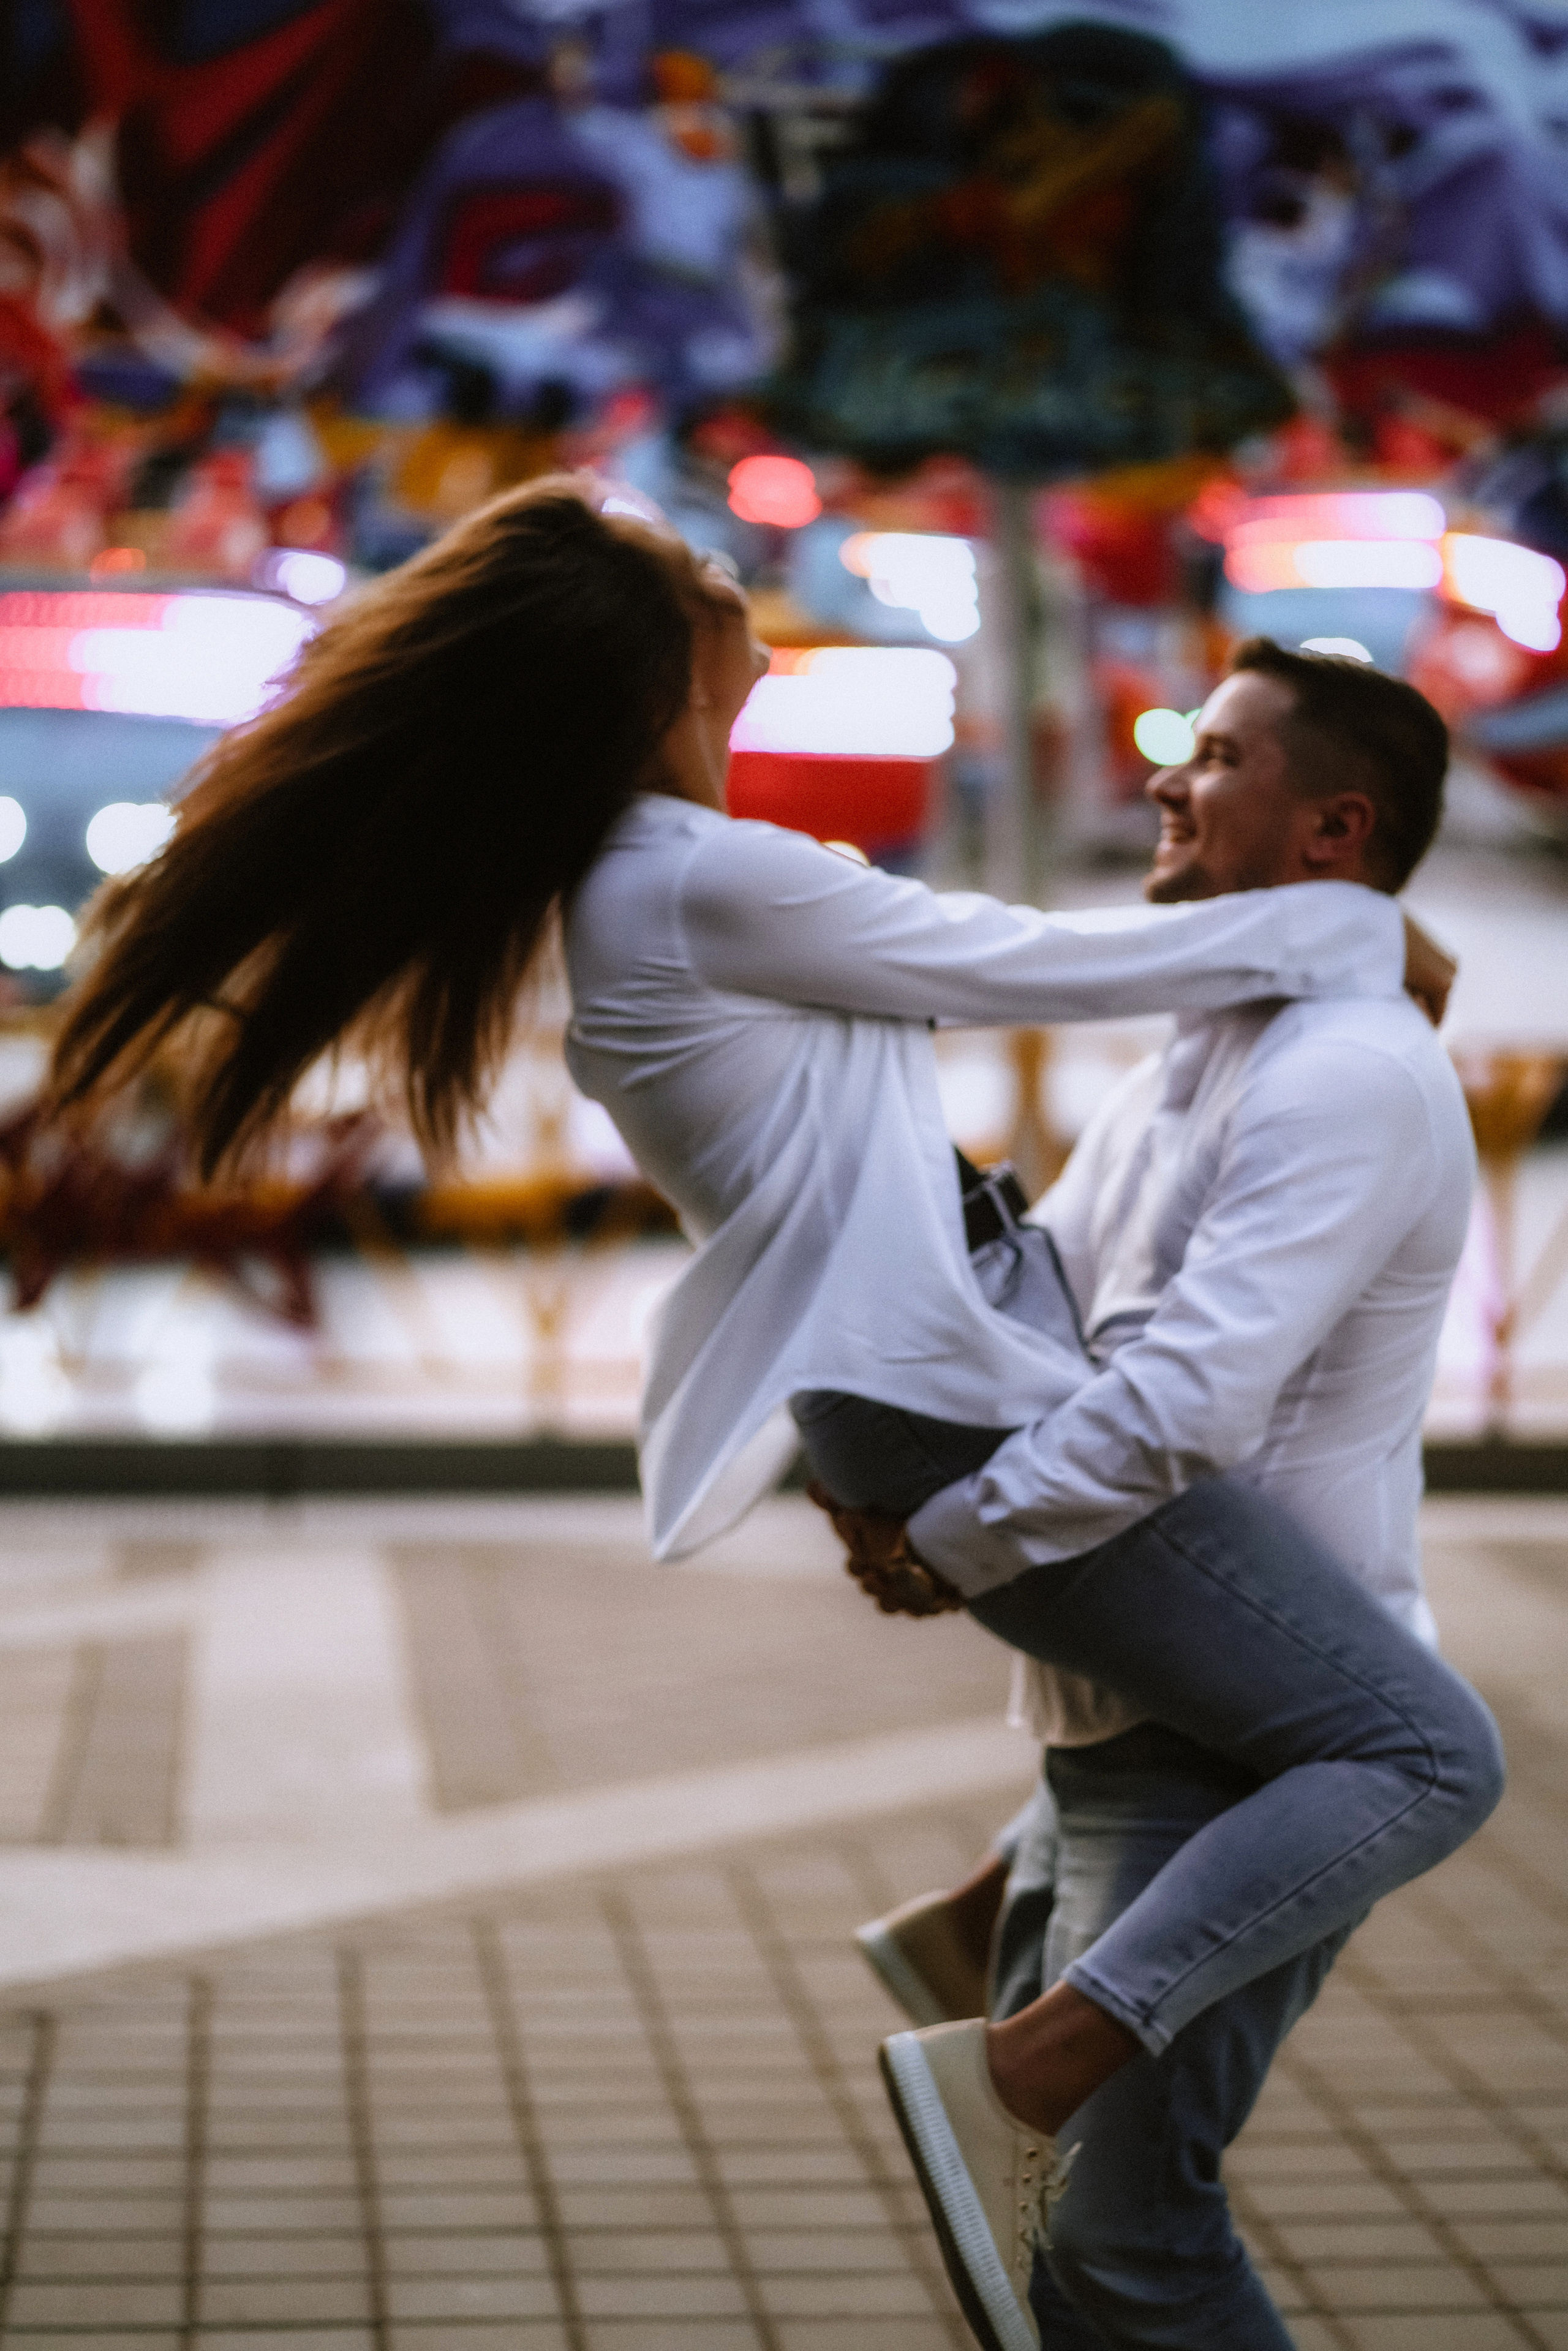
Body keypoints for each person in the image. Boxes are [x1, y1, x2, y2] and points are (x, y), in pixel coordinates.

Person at [42, 480, 1499, 2351]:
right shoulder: (692, 875)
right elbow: (1015, 968)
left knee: (1120, 2235)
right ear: (649, 674)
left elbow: (1070, 1238)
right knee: (1428, 1770)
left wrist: (1324, 963)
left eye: (1207, 758)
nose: (746, 587)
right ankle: (1029, 2031)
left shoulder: (666, 877)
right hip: (942, 1404)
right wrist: (1346, 940)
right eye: (710, 578)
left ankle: (1023, 1908)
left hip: (936, 1397)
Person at [814, 639, 1495, 2349]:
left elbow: (1184, 1407)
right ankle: (997, 1919)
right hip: (1117, 1734)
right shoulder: (1197, 1055)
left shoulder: (1338, 1075)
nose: (1169, 780)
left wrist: (947, 1549)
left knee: (1126, 2242)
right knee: (1065, 2265)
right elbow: (1049, 1330)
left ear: (1335, 826)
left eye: (1220, 759)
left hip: (1254, 1751)